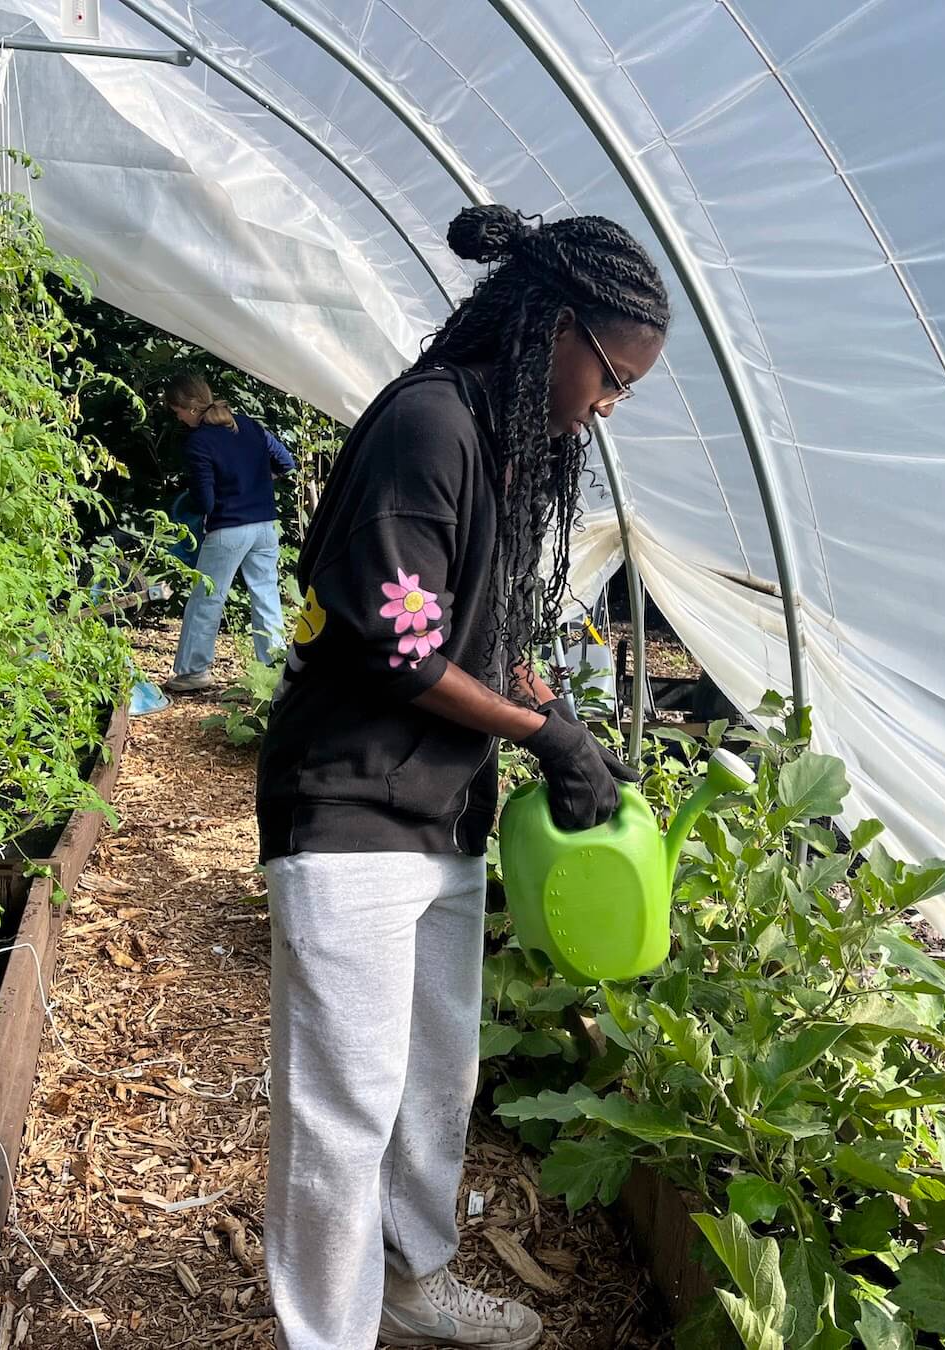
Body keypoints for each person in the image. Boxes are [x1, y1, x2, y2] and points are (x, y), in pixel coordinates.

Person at [255, 205, 670, 1350]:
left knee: (434, 1080)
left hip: (442, 814)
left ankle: (411, 1279)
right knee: (340, 1107)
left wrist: (546, 705)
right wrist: (544, 739)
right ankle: (325, 1335)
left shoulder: (508, 440)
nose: (607, 404)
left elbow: (478, 635)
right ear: (555, 328)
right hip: (350, 807)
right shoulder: (429, 425)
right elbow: (401, 650)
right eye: (612, 376)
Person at [161, 368, 295, 695]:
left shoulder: (199, 442)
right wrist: (258, 483)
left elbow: (205, 500)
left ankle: (193, 672)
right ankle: (274, 674)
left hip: (228, 529)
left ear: (191, 408)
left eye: (176, 411)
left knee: (207, 598)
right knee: (266, 596)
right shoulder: (248, 425)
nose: (178, 418)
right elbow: (286, 463)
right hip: (264, 526)